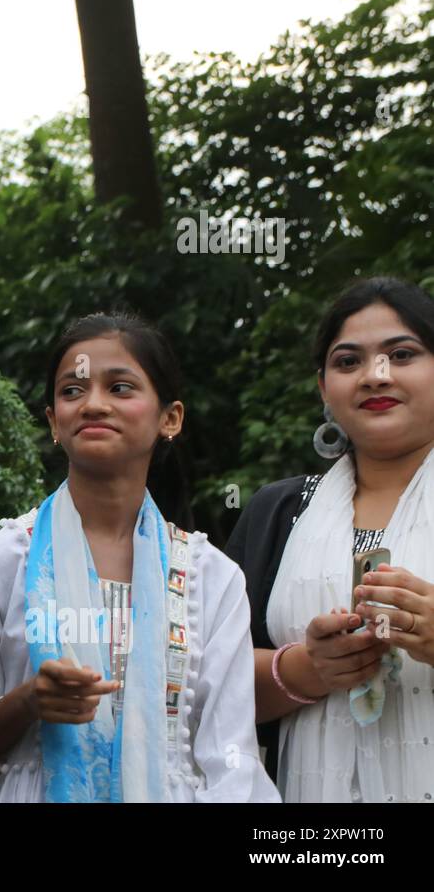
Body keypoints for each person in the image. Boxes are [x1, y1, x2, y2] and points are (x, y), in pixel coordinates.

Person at [0, 312, 278, 802]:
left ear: (170, 418)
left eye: (120, 388)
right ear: (53, 422)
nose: (94, 404)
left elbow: (230, 755)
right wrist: (27, 702)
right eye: (72, 391)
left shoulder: (210, 578)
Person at [226, 276, 434, 802]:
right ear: (323, 388)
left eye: (401, 354)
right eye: (348, 362)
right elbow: (202, 685)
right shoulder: (276, 512)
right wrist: (306, 670)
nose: (374, 376)